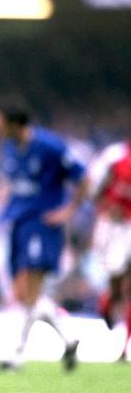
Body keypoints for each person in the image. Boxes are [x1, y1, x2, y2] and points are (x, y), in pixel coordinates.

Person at [0, 105, 87, 372]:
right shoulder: (10, 148)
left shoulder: (50, 147)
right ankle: (68, 338)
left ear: (13, 123)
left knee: (30, 289)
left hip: (43, 225)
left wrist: (69, 211)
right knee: (23, 294)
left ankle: (17, 355)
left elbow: (83, 176)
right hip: (19, 224)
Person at [87, 137, 131, 362]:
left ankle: (125, 347)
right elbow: (93, 188)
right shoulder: (115, 156)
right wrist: (105, 207)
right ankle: (108, 301)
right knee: (117, 281)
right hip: (114, 228)